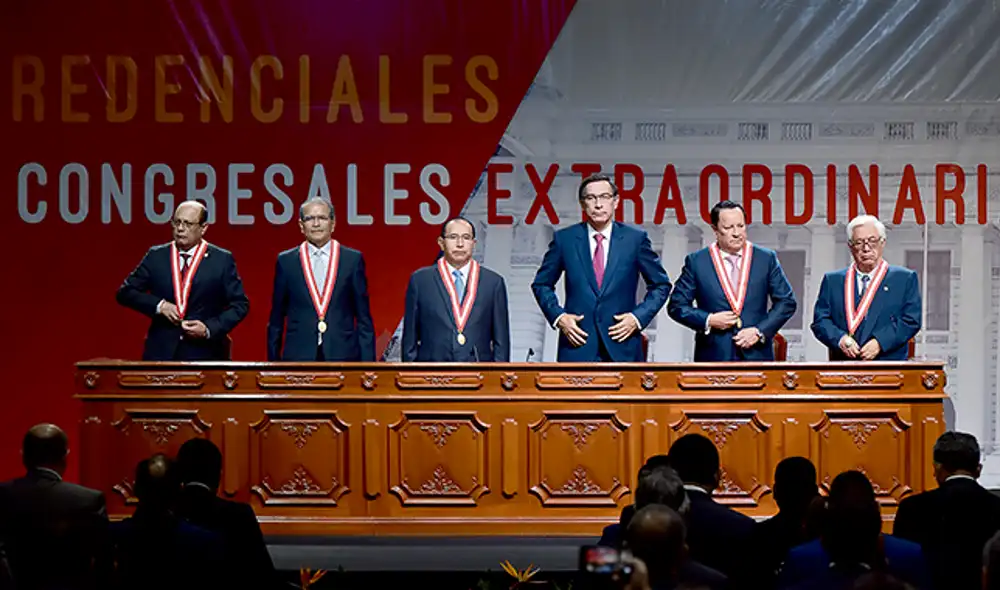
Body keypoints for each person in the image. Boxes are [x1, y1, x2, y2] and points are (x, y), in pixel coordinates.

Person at [531, 173, 672, 361]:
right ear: (582, 204)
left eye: (605, 197)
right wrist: (560, 317)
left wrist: (637, 318)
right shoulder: (565, 240)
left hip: (623, 345)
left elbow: (661, 285)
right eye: (591, 198)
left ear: (616, 202)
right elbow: (541, 284)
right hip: (577, 345)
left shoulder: (635, 239)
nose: (598, 204)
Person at [116, 200, 250, 360]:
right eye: (177, 222)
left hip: (206, 354)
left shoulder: (222, 260)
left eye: (188, 224)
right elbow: (125, 292)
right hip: (162, 353)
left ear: (203, 228)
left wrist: (208, 328)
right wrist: (160, 306)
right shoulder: (156, 256)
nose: (180, 229)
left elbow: (240, 305)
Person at [667, 200, 796, 361]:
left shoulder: (765, 258)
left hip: (756, 356)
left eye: (741, 226)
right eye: (728, 228)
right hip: (713, 357)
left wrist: (759, 331)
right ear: (715, 229)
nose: (737, 233)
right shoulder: (697, 262)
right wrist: (709, 320)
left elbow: (787, 302)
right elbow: (676, 306)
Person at [0, 424, 112, 590]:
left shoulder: (3, 495)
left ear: (23, 456)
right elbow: (104, 560)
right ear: (64, 456)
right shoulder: (89, 499)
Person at [267, 197, 375, 361]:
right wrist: (272, 363)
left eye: (322, 218)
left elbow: (363, 319)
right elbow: (276, 318)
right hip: (298, 355)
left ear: (333, 223)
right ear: (301, 226)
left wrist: (368, 367)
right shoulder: (286, 261)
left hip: (342, 354)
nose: (316, 224)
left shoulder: (352, 260)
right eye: (310, 218)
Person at [892, 432, 1000, 590]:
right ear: (978, 469)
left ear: (937, 468)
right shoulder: (997, 506)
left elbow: (899, 564)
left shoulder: (912, 508)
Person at [811, 215, 921, 360]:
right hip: (844, 367)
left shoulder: (904, 279)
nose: (866, 248)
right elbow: (820, 321)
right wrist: (841, 339)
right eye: (859, 242)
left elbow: (911, 320)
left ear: (883, 242)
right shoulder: (833, 281)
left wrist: (880, 342)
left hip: (888, 367)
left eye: (872, 241)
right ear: (850, 246)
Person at [402, 216, 510, 361]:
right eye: (453, 237)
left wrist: (497, 380)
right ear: (441, 243)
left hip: (479, 375)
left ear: (474, 243)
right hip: (431, 375)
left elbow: (501, 343)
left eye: (466, 238)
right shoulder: (421, 281)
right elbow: (410, 339)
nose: (460, 244)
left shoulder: (493, 283)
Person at [175, 438, 278, 589]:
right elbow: (263, 576)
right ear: (219, 476)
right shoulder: (240, 515)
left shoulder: (165, 513)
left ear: (180, 474)